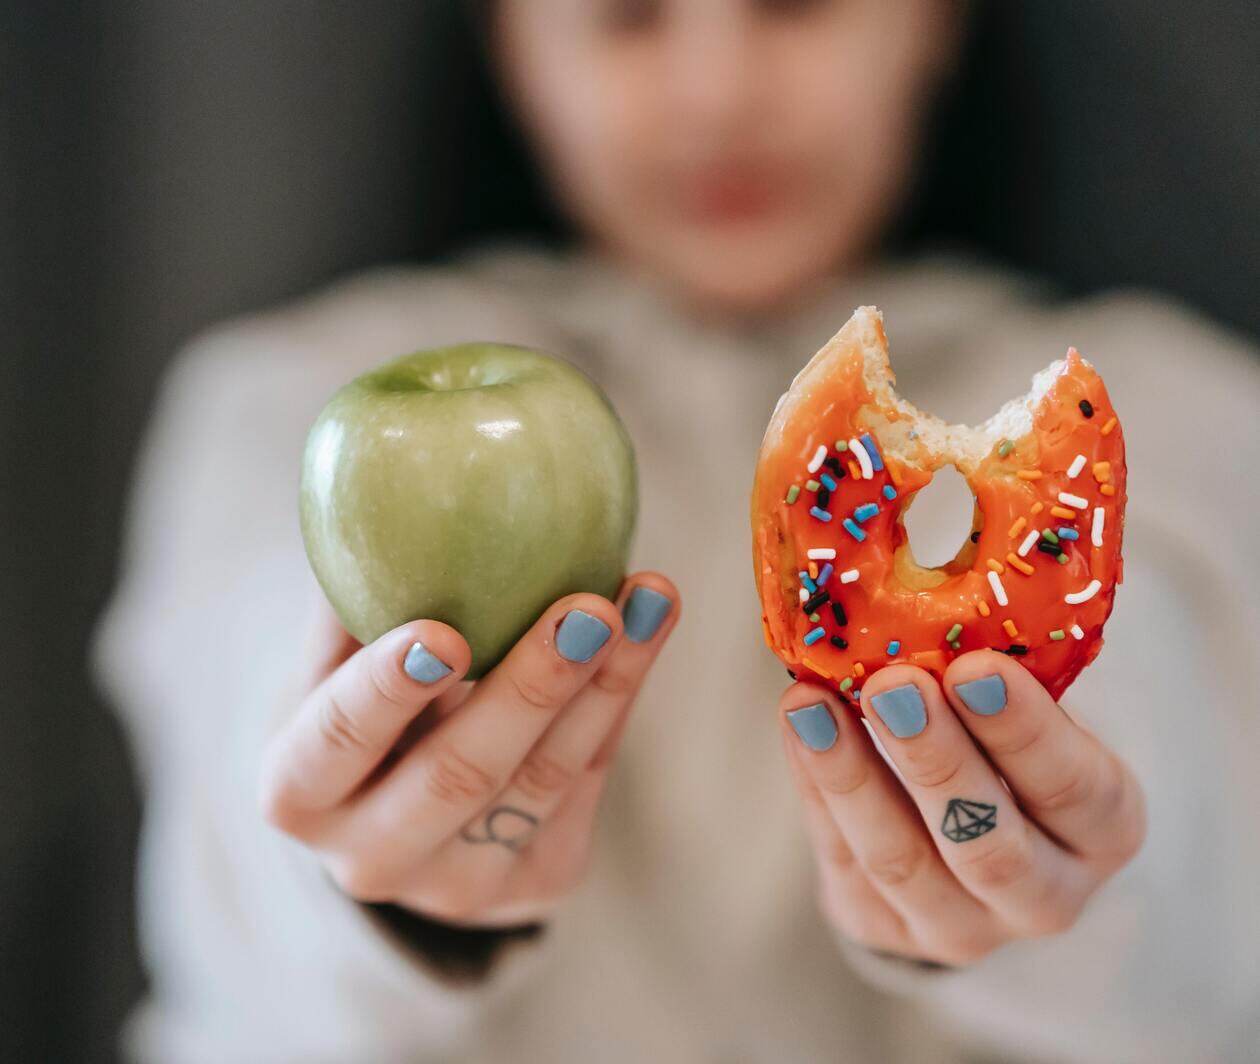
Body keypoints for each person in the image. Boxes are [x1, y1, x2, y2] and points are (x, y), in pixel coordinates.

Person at [93, 0, 1260, 1061]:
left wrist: (1058, 896)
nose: (718, 92)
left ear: (937, 20)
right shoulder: (274, 402)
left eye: (795, 5)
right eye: (625, 16)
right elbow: (232, 841)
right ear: (510, 40)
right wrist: (368, 881)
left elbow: (1185, 835)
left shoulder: (1183, 409)